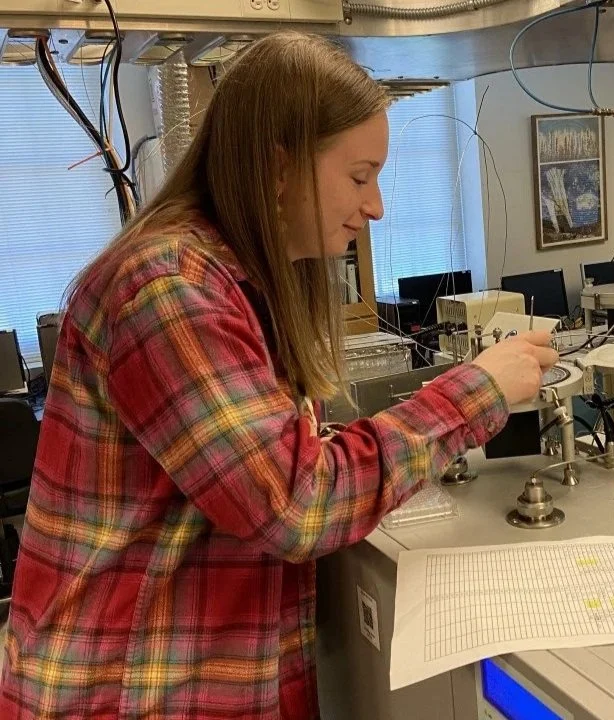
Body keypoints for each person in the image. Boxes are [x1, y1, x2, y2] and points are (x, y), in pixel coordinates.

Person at [0, 32, 557, 719]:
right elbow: (297, 505)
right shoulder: (168, 287)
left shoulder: (231, 283)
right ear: (278, 166)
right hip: (124, 692)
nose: (377, 206)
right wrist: (479, 390)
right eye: (359, 176)